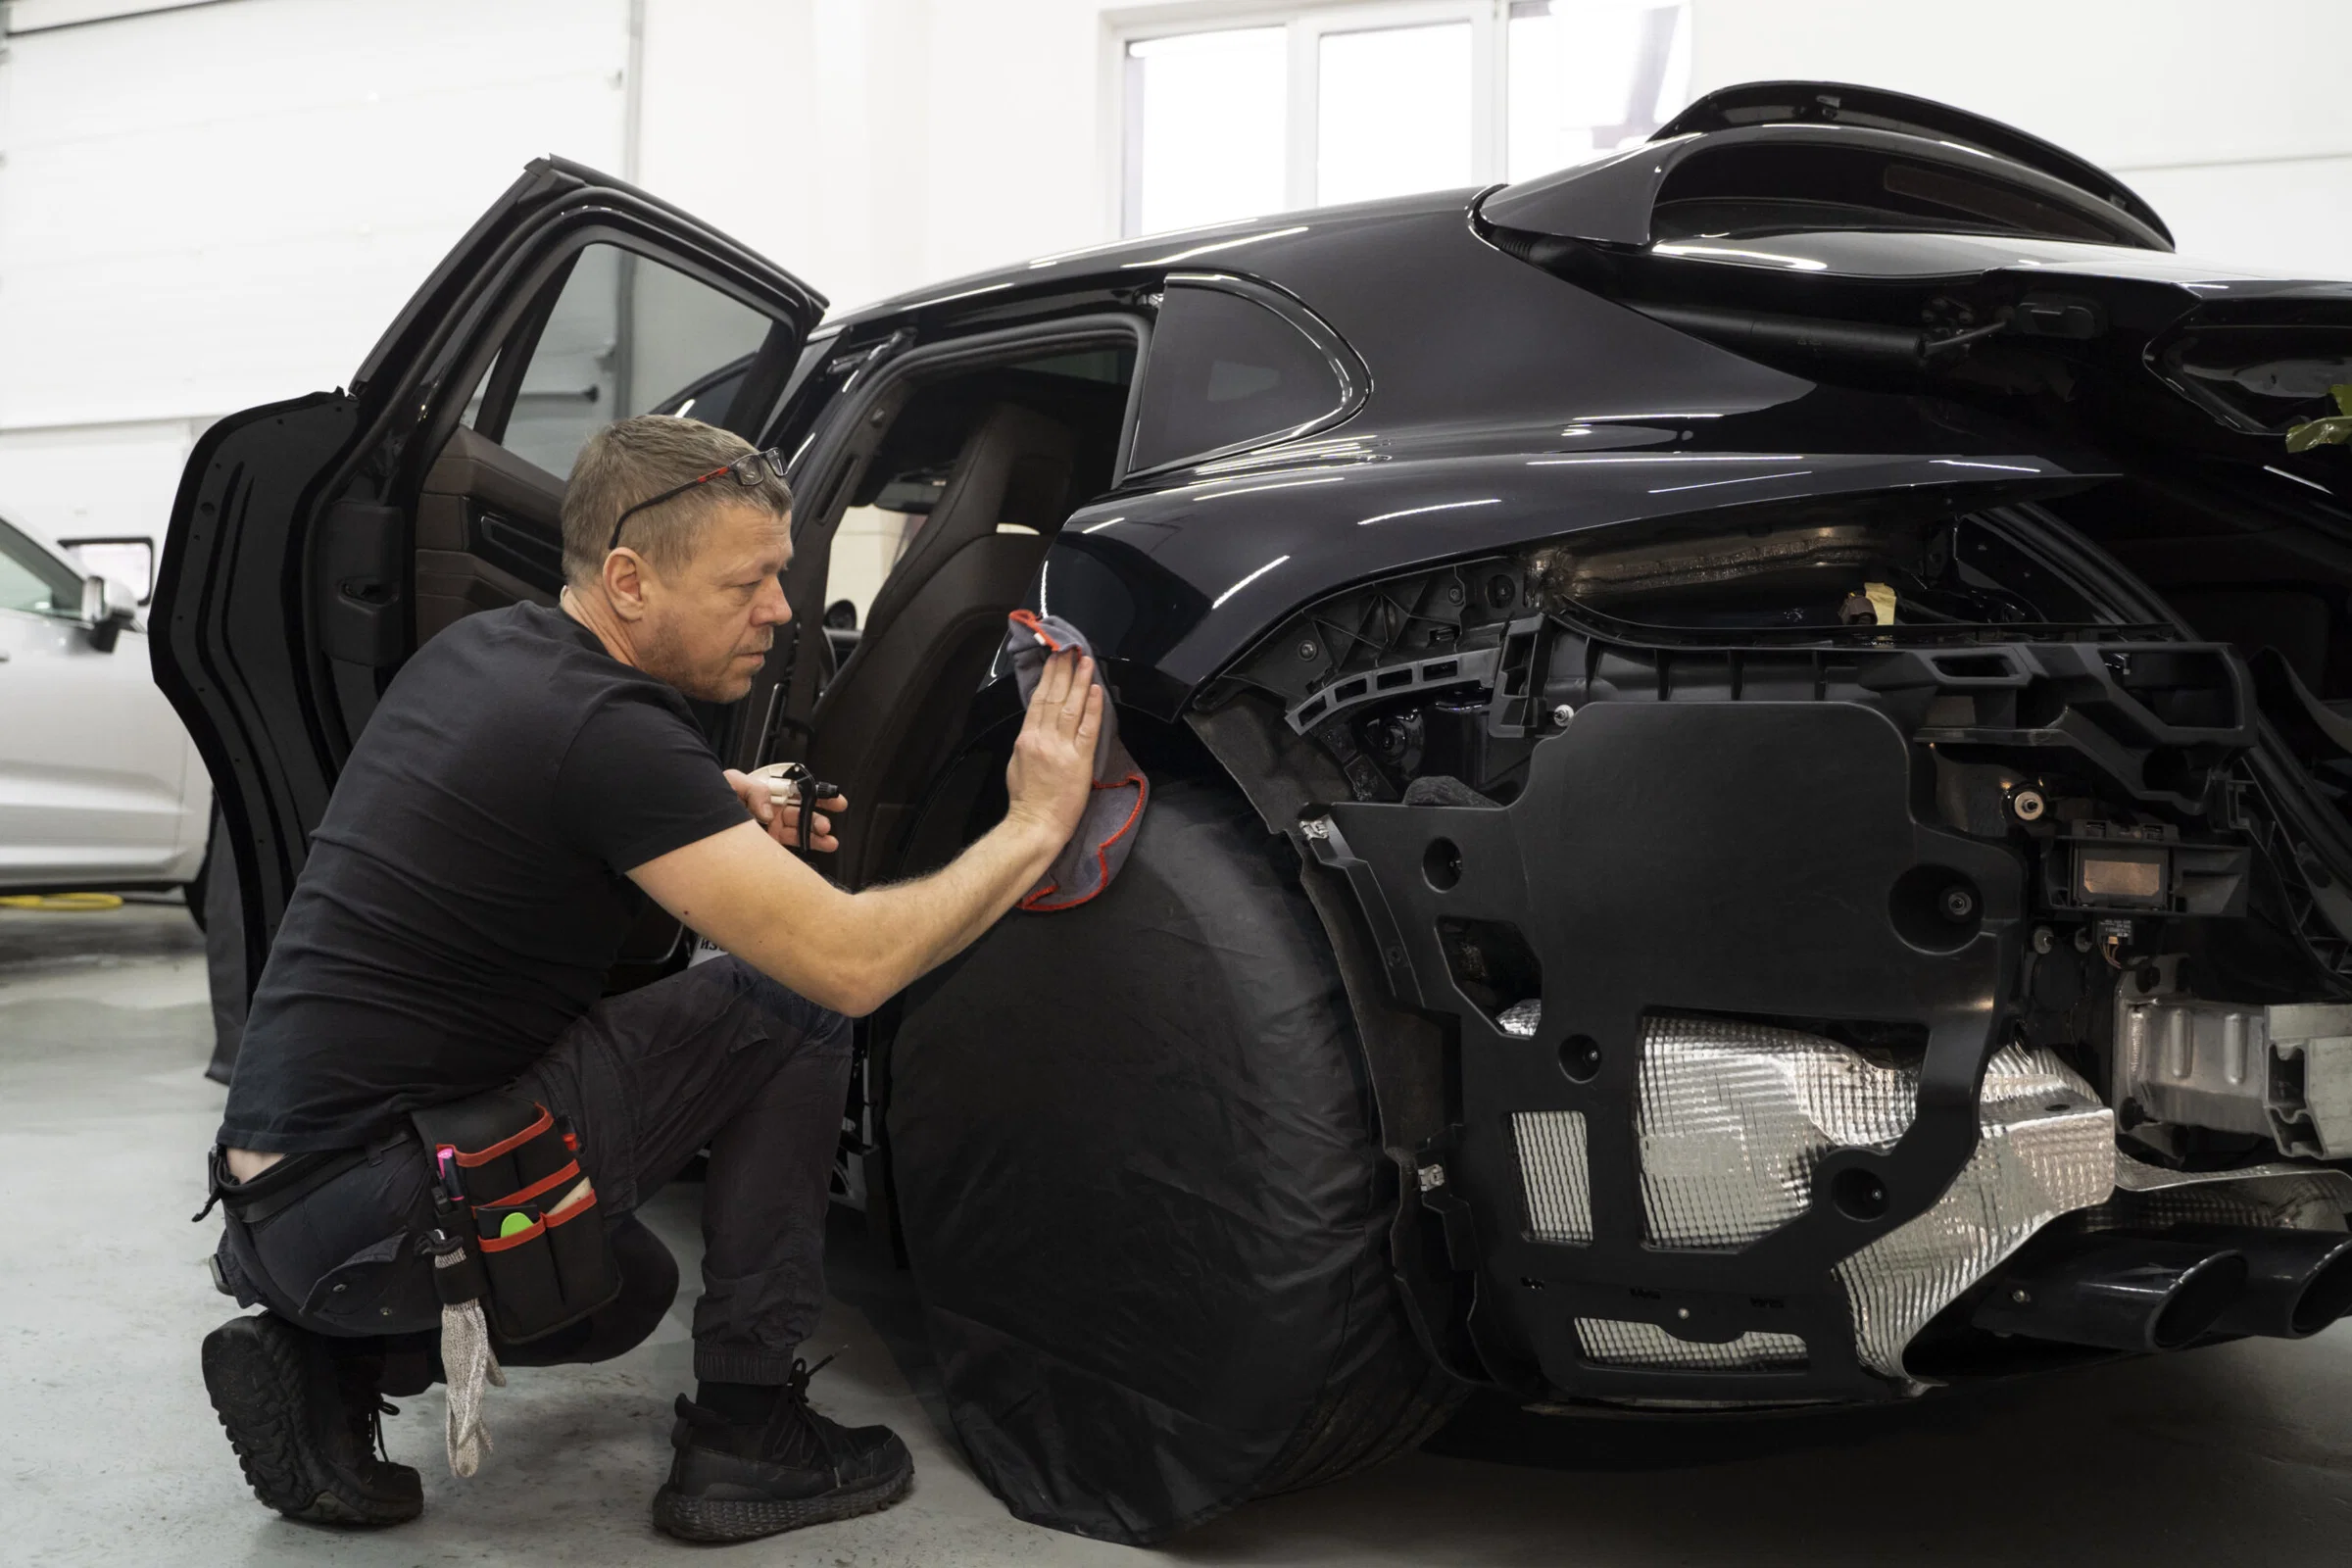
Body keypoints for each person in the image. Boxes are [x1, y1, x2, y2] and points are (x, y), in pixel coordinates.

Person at [197, 414, 1101, 1544]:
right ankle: (748, 1426)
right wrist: (1034, 823)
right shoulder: (607, 733)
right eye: (750, 581)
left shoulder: (487, 654)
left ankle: (331, 1357)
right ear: (628, 579)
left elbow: (555, 785)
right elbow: (856, 961)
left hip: (280, 1195)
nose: (780, 609)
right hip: (371, 1205)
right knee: (795, 998)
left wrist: (717, 797)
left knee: (621, 1288)